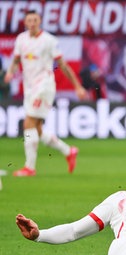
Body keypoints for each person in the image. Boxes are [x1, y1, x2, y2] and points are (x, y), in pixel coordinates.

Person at [3, 10, 87, 177]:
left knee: (28, 123)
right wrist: (10, 72)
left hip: (44, 86)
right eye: (29, 20)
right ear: (25, 23)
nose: (32, 23)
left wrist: (77, 86)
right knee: (37, 129)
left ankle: (29, 168)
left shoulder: (48, 40)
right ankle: (68, 150)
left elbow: (62, 65)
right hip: (29, 88)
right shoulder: (21, 39)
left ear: (39, 21)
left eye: (35, 20)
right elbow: (16, 60)